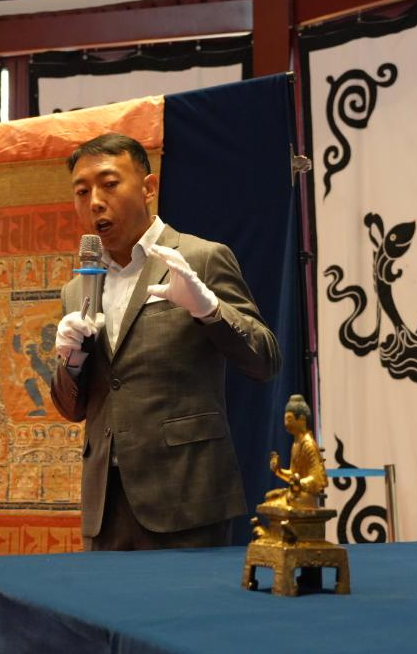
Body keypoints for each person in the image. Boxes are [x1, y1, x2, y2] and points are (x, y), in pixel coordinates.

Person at [51, 132, 281, 551]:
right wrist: (69, 361)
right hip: (106, 504)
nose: (94, 201)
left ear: (148, 188)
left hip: (187, 495)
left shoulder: (200, 259)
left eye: (109, 184)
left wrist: (209, 309)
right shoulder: (77, 289)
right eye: (81, 192)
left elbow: (265, 360)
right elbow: (73, 408)